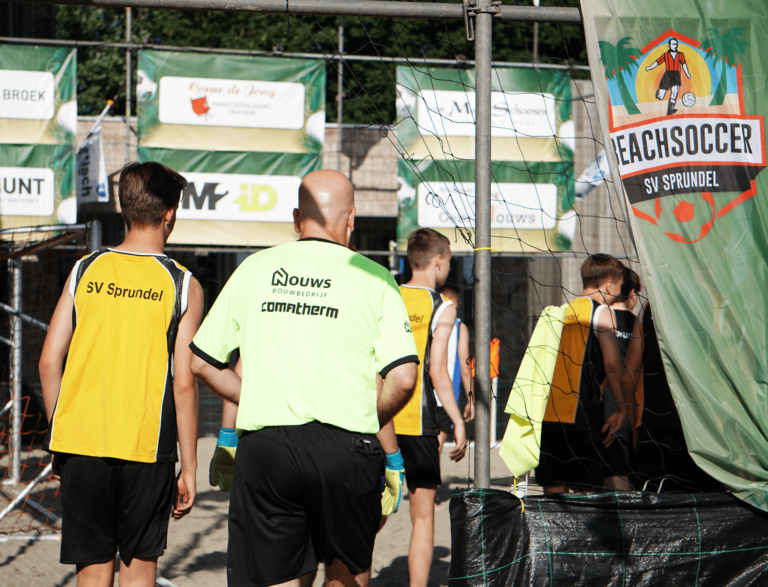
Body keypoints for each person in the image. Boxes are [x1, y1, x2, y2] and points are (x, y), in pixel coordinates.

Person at [189, 169, 419, 587]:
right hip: (348, 446)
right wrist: (372, 417)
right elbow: (403, 378)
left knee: (277, 577)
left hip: (268, 447)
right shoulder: (375, 277)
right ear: (351, 220)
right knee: (346, 574)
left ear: (297, 219)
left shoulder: (253, 269)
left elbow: (202, 363)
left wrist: (256, 396)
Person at [38, 162, 203, 587]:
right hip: (146, 449)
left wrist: (62, 434)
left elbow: (48, 361)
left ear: (123, 208)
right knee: (138, 572)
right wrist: (189, 466)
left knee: (92, 572)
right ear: (170, 214)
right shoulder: (183, 284)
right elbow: (184, 382)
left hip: (81, 443)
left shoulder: (84, 270)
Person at [395, 228, 467, 587]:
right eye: (450, 261)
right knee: (422, 517)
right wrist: (456, 420)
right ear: (438, 260)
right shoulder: (443, 305)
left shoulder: (387, 294)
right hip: (419, 423)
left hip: (379, 420)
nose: (450, 268)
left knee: (367, 514)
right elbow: (437, 370)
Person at [536, 254, 626, 493]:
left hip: (548, 413)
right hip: (582, 414)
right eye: (620, 285)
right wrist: (621, 407)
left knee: (554, 492)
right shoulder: (602, 312)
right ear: (609, 284)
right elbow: (612, 363)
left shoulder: (560, 310)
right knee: (587, 493)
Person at [621, 301, 721, 493]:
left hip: (654, 430)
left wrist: (635, 427)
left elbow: (627, 378)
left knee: (651, 509)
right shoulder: (711, 298)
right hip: (703, 430)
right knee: (705, 509)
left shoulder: (650, 305)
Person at [603, 266, 642, 489]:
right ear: (633, 294)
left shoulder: (595, 320)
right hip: (636, 411)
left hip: (602, 411)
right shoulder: (644, 323)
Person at [435, 285, 473, 455]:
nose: (457, 307)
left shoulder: (426, 322)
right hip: (444, 396)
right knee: (435, 448)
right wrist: (471, 399)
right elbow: (466, 367)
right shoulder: (459, 327)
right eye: (456, 302)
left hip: (420, 394)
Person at [646, 37, 692, 116]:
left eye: (676, 44)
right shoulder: (666, 55)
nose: (675, 46)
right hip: (667, 75)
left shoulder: (680, 54)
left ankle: (670, 110)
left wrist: (687, 73)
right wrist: (650, 67)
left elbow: (684, 64)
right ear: (669, 45)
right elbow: (657, 62)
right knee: (660, 97)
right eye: (673, 44)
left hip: (676, 75)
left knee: (674, 92)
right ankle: (659, 93)